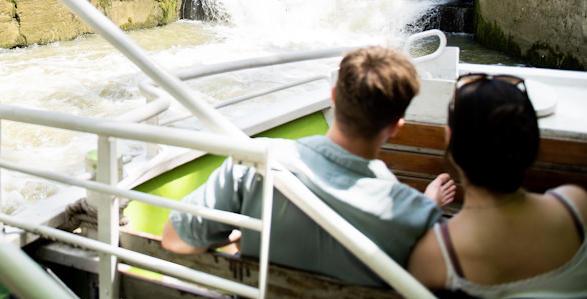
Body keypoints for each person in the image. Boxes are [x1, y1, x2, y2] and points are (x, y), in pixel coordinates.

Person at [162, 45, 457, 287]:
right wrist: (426, 201)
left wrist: (246, 232)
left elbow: (174, 240)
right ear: (396, 126)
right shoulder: (417, 216)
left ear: (332, 98)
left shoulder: (254, 163)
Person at [408, 74, 587, 297]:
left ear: (450, 140)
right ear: (531, 139)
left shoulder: (434, 255)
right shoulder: (577, 207)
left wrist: (427, 207)